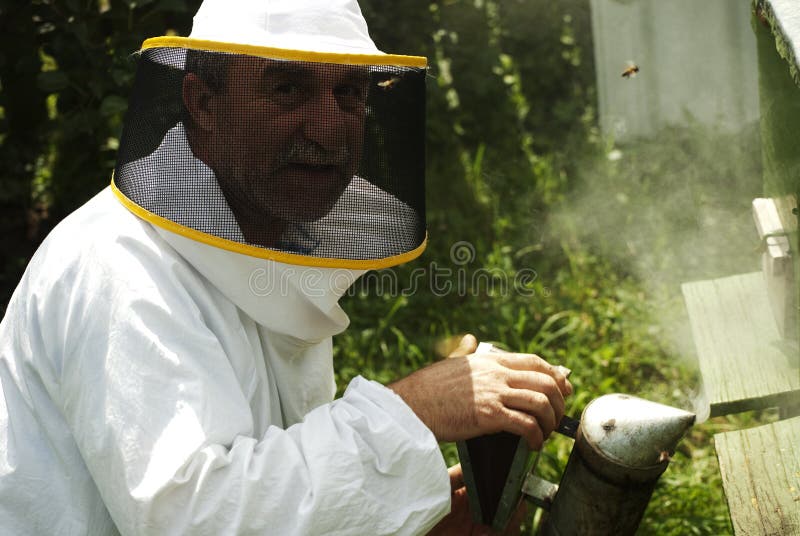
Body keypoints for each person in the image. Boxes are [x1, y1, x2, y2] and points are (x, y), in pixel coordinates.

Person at [0, 1, 572, 534]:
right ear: (202, 102)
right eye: (287, 89)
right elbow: (192, 517)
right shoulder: (117, 267)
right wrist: (413, 411)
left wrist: (415, 511)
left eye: (349, 92)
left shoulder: (272, 227)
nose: (328, 130)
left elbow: (272, 469)